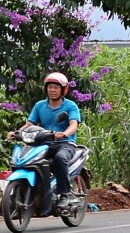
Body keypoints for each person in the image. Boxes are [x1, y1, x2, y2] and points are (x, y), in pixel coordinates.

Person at [11, 71, 80, 199]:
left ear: (63, 90)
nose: (52, 90)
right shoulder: (40, 105)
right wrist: (17, 133)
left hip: (64, 144)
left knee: (60, 158)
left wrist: (64, 133)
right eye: (50, 87)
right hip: (44, 143)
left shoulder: (71, 106)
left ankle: (64, 194)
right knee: (27, 159)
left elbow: (73, 124)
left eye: (56, 87)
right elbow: (29, 124)